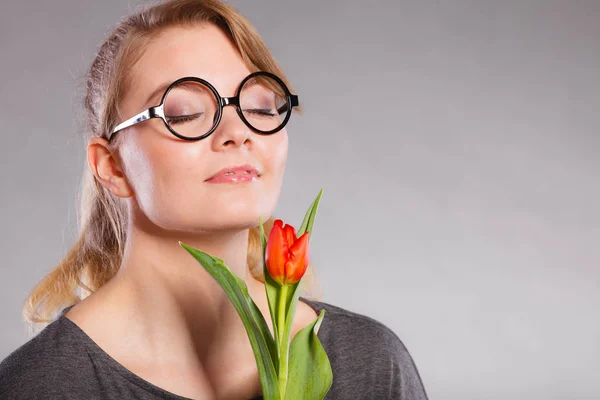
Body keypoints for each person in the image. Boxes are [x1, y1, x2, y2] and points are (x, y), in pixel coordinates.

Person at [0, 0, 429, 399]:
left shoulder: (368, 364)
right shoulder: (40, 386)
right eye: (184, 114)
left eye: (260, 108)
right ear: (112, 166)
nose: (238, 131)